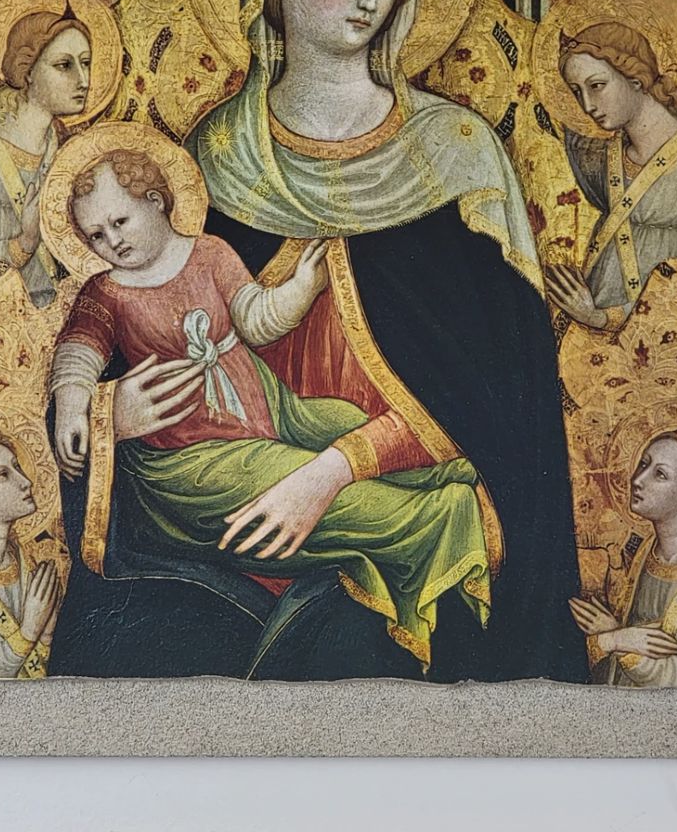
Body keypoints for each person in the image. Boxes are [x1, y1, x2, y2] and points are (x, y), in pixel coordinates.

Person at [170, 0, 586, 683]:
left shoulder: (455, 156)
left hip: (422, 528)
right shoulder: (211, 160)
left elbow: (502, 395)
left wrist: (332, 472)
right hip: (237, 525)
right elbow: (164, 338)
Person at [49, 146, 492, 670]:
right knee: (307, 481)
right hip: (195, 458)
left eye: (119, 222)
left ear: (156, 201)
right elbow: (79, 350)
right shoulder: (106, 292)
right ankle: (444, 516)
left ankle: (443, 476)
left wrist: (300, 290)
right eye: (96, 236)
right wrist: (74, 402)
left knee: (344, 422)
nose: (112, 241)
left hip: (270, 410)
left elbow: (256, 320)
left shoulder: (210, 253)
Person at [545, 21, 677, 331]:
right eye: (577, 91)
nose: (587, 106)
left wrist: (602, 317)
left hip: (651, 334)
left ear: (635, 78)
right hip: (588, 326)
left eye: (596, 86)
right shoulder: (602, 158)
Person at [0, 2, 92, 307]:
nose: (84, 80)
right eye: (64, 65)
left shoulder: (66, 149)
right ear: (28, 69)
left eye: (86, 63)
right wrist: (23, 244)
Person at [568, 429, 677, 686]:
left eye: (660, 474)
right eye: (643, 464)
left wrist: (615, 640)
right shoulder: (645, 549)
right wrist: (618, 634)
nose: (637, 479)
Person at [0, 428, 61, 678]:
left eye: (17, 467)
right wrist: (29, 632)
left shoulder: (27, 562)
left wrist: (47, 636)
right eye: (3, 475)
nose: (25, 481)